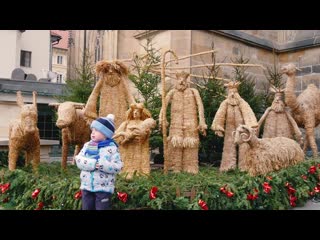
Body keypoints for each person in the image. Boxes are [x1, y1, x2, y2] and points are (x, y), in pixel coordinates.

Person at [75, 114, 123, 210]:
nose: (93, 133)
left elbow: (118, 166)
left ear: (106, 134)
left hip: (103, 188)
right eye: (92, 130)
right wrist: (93, 164)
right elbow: (79, 160)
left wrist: (102, 165)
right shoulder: (88, 145)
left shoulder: (112, 148)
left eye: (97, 130)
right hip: (86, 186)